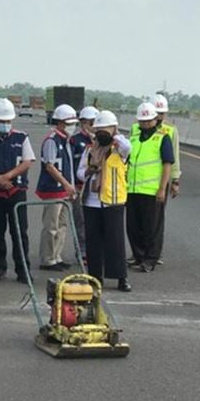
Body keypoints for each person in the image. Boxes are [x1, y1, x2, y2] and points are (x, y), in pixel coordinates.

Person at [76, 111, 132, 292]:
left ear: (114, 128)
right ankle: (95, 277)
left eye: (105, 129)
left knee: (115, 241)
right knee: (94, 241)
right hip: (91, 202)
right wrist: (90, 171)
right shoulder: (90, 149)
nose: (102, 133)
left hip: (113, 201)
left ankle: (121, 278)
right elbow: (79, 173)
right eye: (99, 129)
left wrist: (113, 136)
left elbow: (127, 147)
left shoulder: (119, 148)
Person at [0, 98, 36, 283]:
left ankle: (23, 270)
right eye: (1, 121)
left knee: (20, 233)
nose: (5, 124)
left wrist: (8, 176)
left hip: (16, 191)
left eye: (8, 121)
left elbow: (27, 161)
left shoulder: (22, 137)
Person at [126, 102, 174, 273]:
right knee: (133, 226)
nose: (145, 124)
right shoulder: (133, 139)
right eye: (142, 121)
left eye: (148, 121)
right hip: (132, 190)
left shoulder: (162, 138)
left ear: (155, 119)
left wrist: (162, 188)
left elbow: (167, 164)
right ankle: (138, 256)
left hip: (152, 191)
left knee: (152, 228)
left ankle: (150, 259)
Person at [36, 104, 79, 272]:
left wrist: (70, 186)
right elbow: (50, 166)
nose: (72, 126)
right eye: (69, 123)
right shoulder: (51, 140)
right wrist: (67, 184)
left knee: (62, 226)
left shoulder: (67, 141)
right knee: (51, 225)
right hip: (53, 189)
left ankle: (56, 256)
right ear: (60, 122)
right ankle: (47, 258)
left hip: (64, 190)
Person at [152, 93, 181, 265]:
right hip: (139, 183)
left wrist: (175, 181)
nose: (160, 117)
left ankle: (155, 254)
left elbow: (174, 158)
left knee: (157, 220)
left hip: (160, 181)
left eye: (162, 114)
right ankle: (139, 253)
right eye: (157, 113)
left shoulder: (170, 131)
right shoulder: (137, 128)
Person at [69, 105, 99, 260]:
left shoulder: (101, 142)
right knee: (80, 222)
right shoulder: (74, 141)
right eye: (90, 123)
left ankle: (96, 250)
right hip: (79, 187)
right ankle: (82, 251)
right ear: (82, 123)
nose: (92, 127)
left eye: (95, 123)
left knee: (95, 222)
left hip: (97, 188)